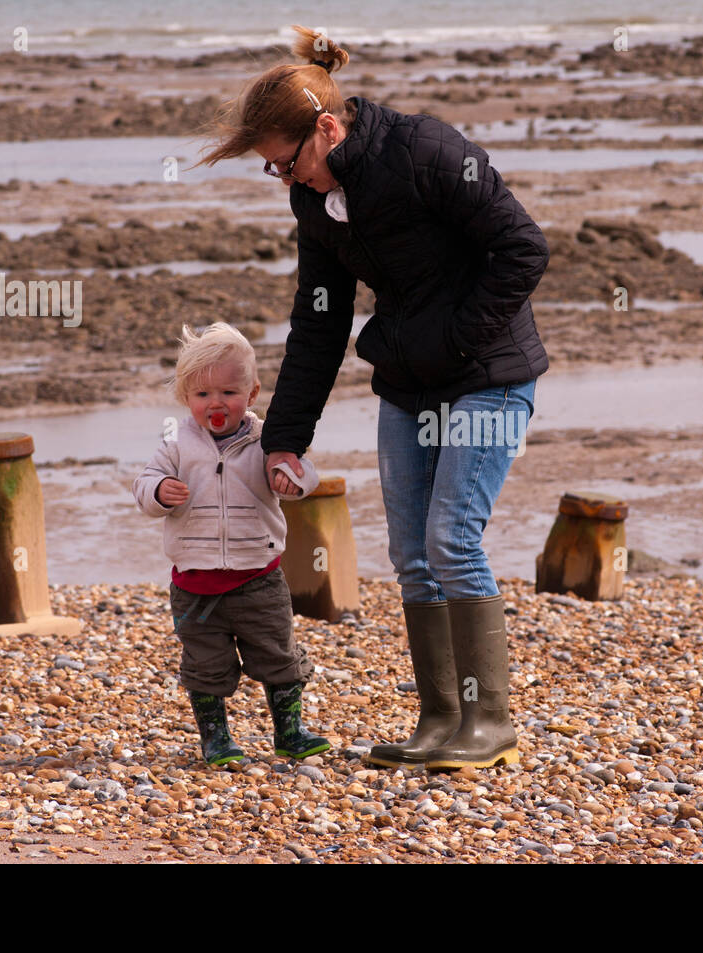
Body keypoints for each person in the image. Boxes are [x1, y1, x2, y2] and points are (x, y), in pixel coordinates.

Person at [196, 26, 549, 770]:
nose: (285, 180)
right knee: (412, 554)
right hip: (410, 385)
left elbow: (523, 248)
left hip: (491, 376)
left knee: (453, 539)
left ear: (327, 128)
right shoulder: (315, 203)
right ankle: (440, 718)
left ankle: (491, 723)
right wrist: (284, 436)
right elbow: (319, 321)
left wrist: (455, 342)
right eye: (272, 171)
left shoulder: (426, 151)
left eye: (286, 163)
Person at [132, 321, 329, 765]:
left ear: (253, 393)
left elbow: (305, 471)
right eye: (203, 395)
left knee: (279, 656)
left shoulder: (266, 440)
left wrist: (291, 479)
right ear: (187, 398)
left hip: (258, 578)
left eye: (228, 393)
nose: (216, 404)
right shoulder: (176, 442)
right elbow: (142, 483)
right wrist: (161, 489)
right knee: (205, 665)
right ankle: (215, 737)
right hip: (194, 586)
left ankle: (290, 731)